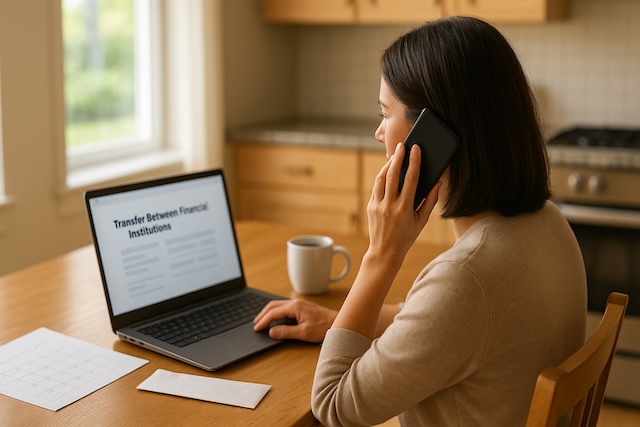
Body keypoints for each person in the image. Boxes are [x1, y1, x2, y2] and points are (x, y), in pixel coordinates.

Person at [254, 16, 587, 426]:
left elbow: (332, 405)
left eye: (385, 113)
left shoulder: (465, 278)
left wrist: (381, 256)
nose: (378, 133)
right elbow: (445, 326)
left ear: (432, 136)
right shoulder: (548, 224)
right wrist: (337, 324)